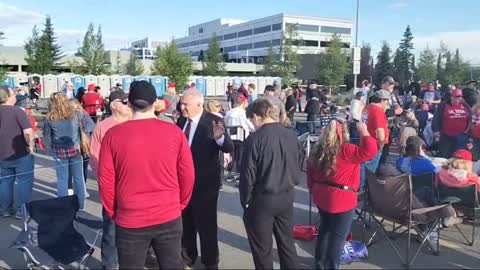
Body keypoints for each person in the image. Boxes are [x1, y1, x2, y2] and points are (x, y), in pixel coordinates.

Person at [98, 81, 195, 269]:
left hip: (130, 217)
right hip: (168, 214)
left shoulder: (113, 135)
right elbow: (188, 174)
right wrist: (179, 204)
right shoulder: (174, 132)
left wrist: (113, 211)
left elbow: (106, 179)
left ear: (129, 103)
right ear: (155, 103)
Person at [240, 98, 304, 269]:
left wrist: (245, 201)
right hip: (287, 194)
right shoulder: (291, 134)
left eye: (252, 120)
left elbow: (248, 175)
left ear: (256, 116)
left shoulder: (254, 139)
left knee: (262, 249)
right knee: (287, 244)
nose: (252, 124)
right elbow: (300, 159)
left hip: (263, 198)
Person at [307, 118, 377, 270]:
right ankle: (331, 266)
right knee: (337, 238)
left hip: (321, 195)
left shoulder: (317, 150)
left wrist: (313, 191)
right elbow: (371, 150)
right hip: (342, 199)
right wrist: (364, 131)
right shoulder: (347, 150)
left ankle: (320, 264)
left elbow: (310, 175)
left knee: (325, 230)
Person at [177, 89, 233, 269]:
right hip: (183, 184)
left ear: (199, 105)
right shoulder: (181, 120)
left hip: (205, 184)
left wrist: (220, 139)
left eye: (186, 104)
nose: (182, 107)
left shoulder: (213, 121)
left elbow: (228, 147)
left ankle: (210, 261)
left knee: (206, 225)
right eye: (182, 103)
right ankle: (188, 256)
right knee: (186, 223)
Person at [89, 90, 131, 270]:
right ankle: (110, 265)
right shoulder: (103, 126)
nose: (128, 105)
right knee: (111, 229)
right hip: (112, 187)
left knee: (136, 229)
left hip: (134, 186)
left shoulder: (135, 123)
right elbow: (94, 156)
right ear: (114, 105)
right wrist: (105, 181)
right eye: (124, 102)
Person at [43, 93, 88, 210]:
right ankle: (81, 204)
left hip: (59, 150)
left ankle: (63, 205)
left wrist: (49, 149)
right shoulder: (76, 114)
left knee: (62, 178)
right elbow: (88, 126)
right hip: (75, 148)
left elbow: (47, 136)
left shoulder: (50, 117)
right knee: (79, 178)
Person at [0, 86, 34, 218]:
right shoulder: (18, 112)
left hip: (2, 154)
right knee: (24, 181)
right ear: (7, 97)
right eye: (13, 94)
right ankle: (23, 210)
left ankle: (6, 209)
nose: (15, 96)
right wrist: (30, 145)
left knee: (5, 181)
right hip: (20, 153)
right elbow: (27, 132)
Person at [360, 90, 391, 188]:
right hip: (374, 144)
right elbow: (380, 132)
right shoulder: (378, 111)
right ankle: (364, 189)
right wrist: (381, 146)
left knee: (364, 166)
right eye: (386, 101)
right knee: (369, 169)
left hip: (365, 141)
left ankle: (361, 187)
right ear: (382, 100)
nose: (387, 104)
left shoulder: (367, 108)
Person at [432, 88, 471, 158]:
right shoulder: (444, 105)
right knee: (444, 156)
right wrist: (436, 131)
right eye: (455, 97)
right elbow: (436, 119)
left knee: (459, 156)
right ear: (451, 97)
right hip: (446, 136)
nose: (457, 99)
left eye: (459, 97)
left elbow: (470, 119)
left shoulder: (466, 106)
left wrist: (467, 131)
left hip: (461, 136)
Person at [68, 99, 95, 184]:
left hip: (73, 145)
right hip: (84, 144)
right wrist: (83, 131)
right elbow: (91, 127)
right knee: (84, 167)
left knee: (71, 168)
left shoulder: (67, 116)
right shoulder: (83, 114)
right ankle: (83, 186)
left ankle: (70, 187)